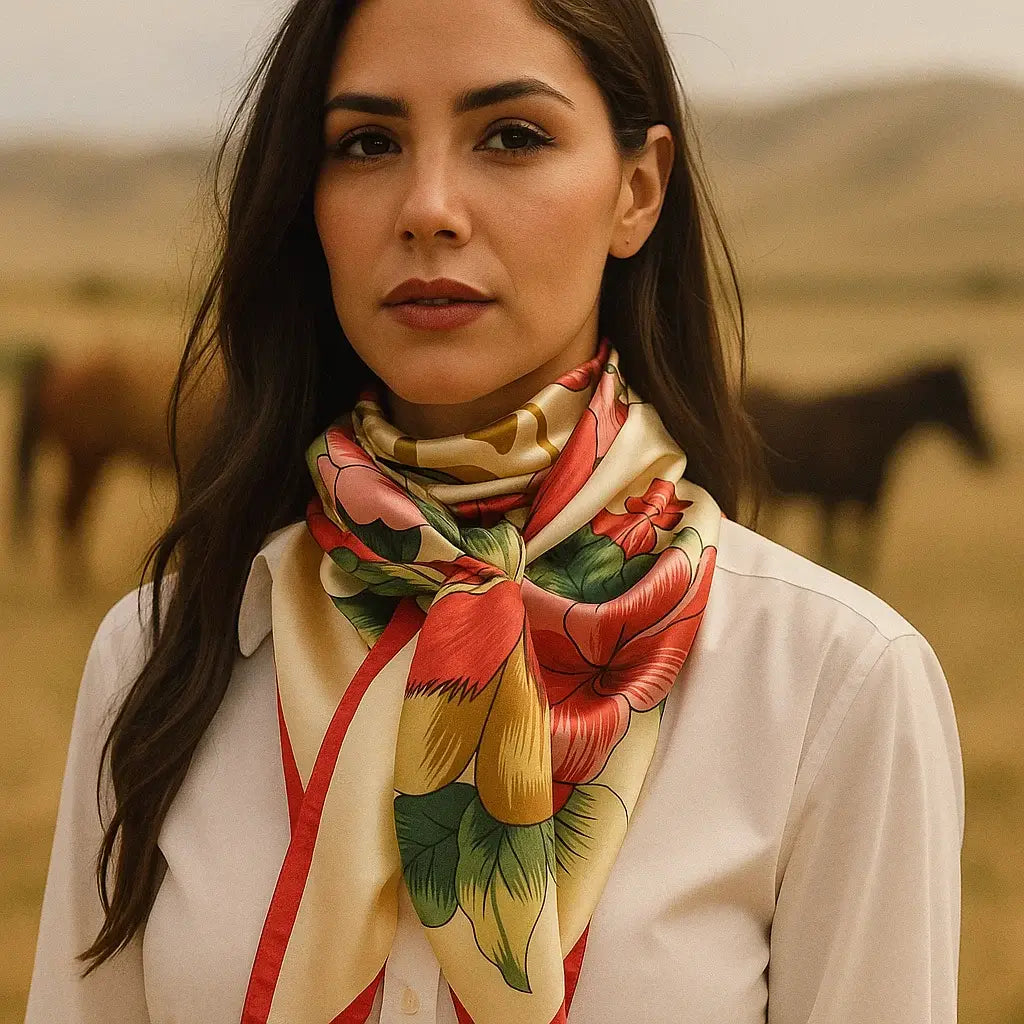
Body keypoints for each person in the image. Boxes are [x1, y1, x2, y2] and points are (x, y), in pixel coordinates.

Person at [24, 0, 964, 1021]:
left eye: (511, 136)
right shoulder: (162, 655)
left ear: (636, 190)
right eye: (368, 142)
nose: (428, 207)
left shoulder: (835, 686)